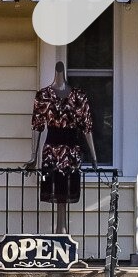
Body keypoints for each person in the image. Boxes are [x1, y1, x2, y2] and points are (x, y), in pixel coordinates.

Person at [30, 62, 95, 208]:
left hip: (71, 152)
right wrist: (33, 156)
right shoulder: (43, 96)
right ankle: (61, 229)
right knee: (56, 190)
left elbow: (87, 128)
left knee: (66, 192)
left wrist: (94, 156)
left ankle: (61, 229)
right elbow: (37, 126)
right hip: (51, 151)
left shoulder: (79, 96)